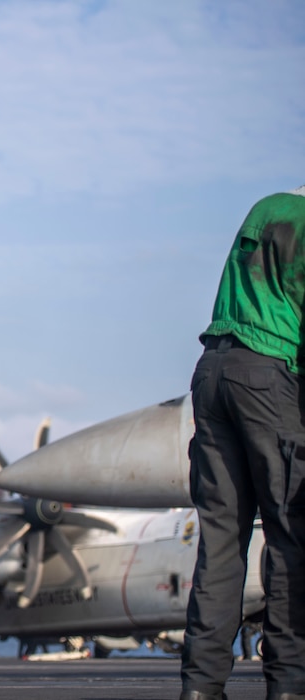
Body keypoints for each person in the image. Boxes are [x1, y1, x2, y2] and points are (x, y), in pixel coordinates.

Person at [179, 186, 305, 700]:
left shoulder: (270, 205)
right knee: (290, 537)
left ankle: (201, 687)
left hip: (211, 372)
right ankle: (291, 684)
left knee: (222, 542)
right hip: (269, 374)